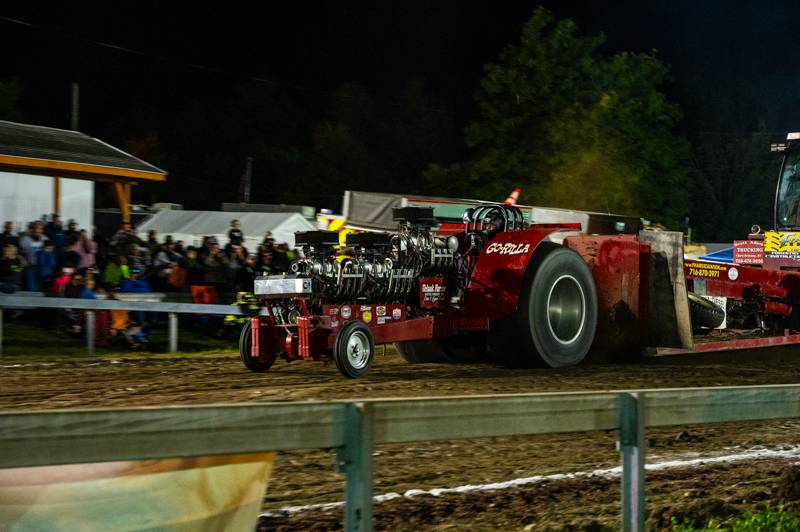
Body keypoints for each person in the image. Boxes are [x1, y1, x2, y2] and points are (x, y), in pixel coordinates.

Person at [19, 221, 48, 291]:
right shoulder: (25, 239)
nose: (38, 231)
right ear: (32, 229)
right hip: (30, 266)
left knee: (40, 287)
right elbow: (19, 251)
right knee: (31, 287)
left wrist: (48, 249)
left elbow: (50, 250)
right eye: (36, 229)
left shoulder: (44, 238)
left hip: (41, 267)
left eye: (40, 229)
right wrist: (22, 259)